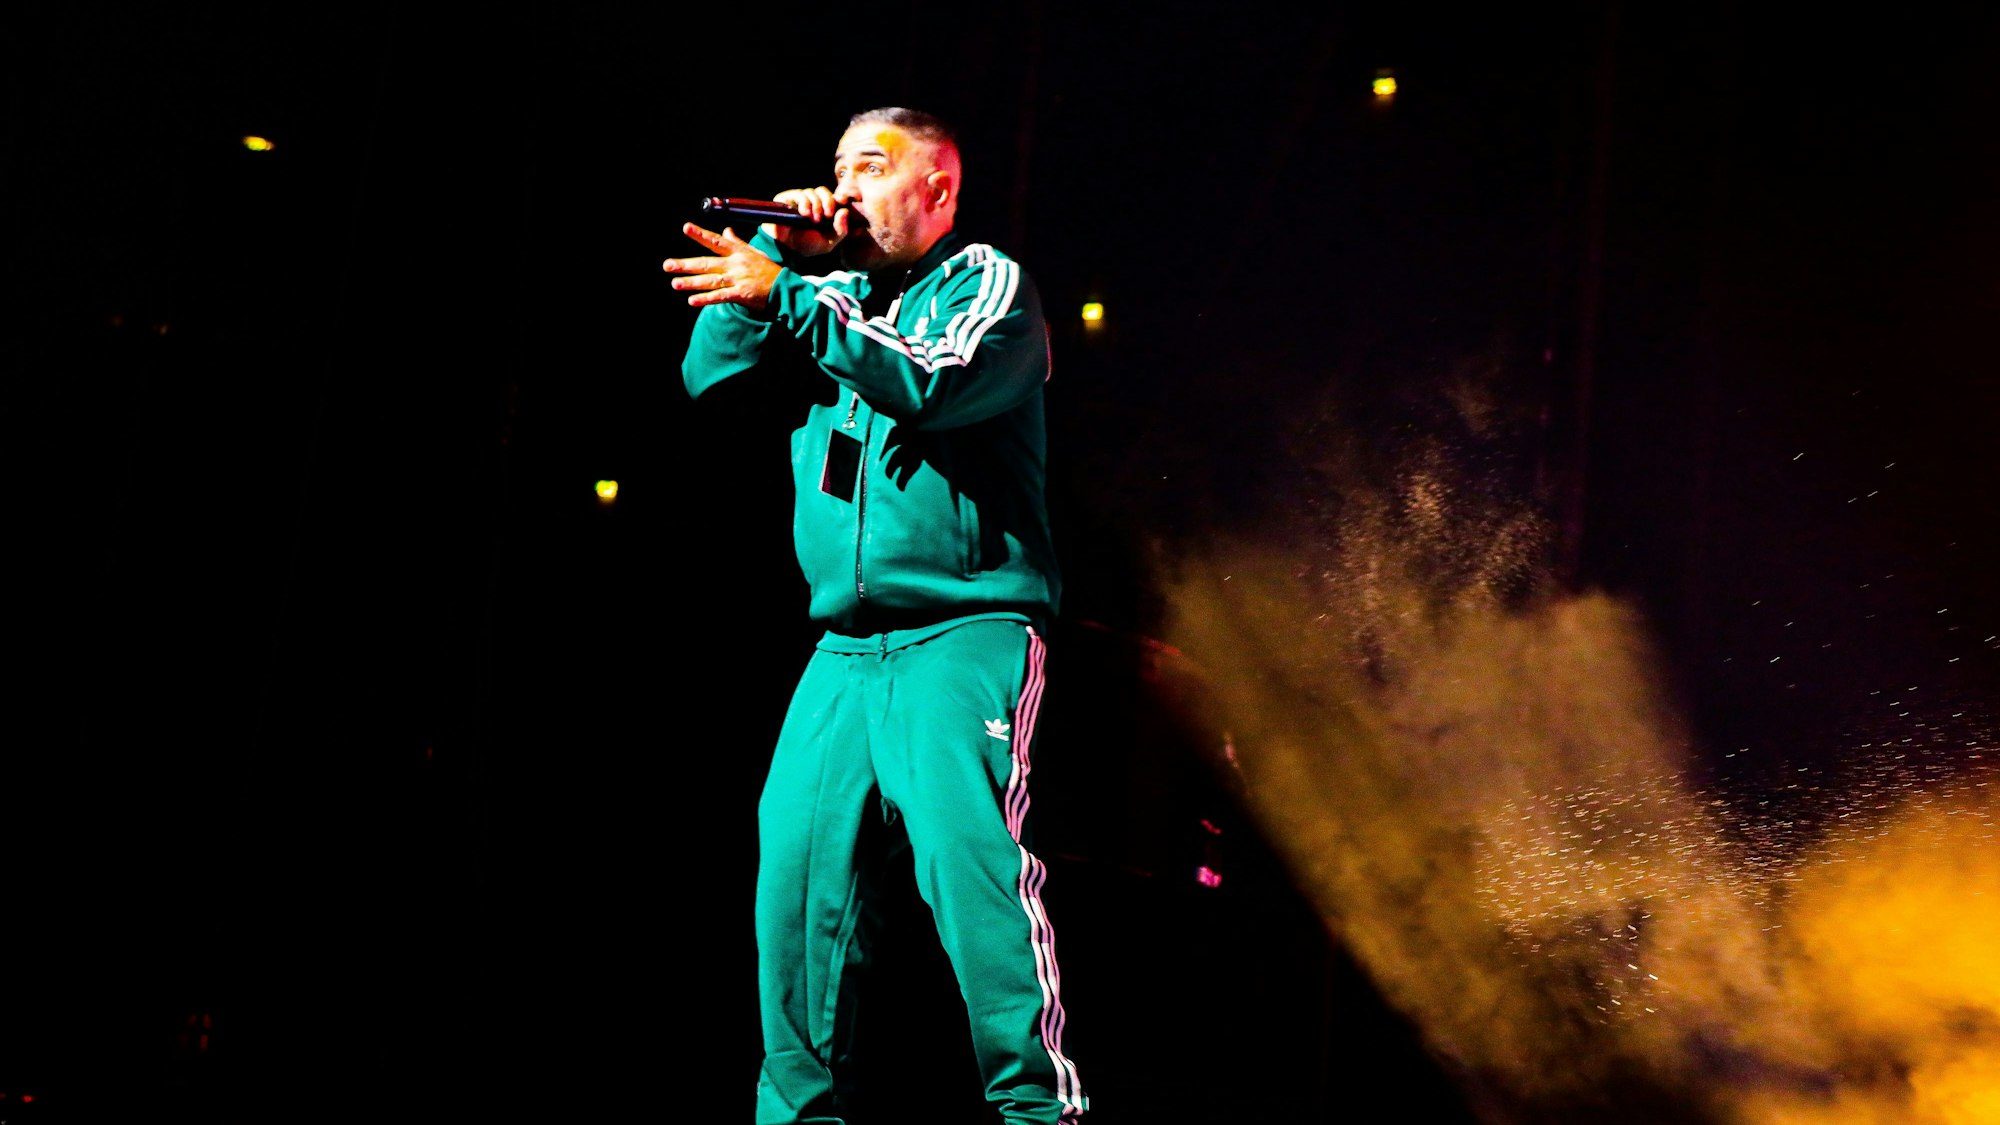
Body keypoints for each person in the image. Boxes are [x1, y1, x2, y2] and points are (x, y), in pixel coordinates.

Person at [664, 107, 1086, 1124]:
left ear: (936, 188)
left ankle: (1038, 1112)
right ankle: (797, 1115)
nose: (846, 187)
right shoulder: (829, 293)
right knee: (795, 883)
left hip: (964, 633)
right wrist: (777, 252)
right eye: (838, 168)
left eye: (872, 167)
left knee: (969, 871)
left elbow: (927, 380)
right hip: (844, 655)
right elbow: (708, 374)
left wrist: (794, 296)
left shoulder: (989, 285)